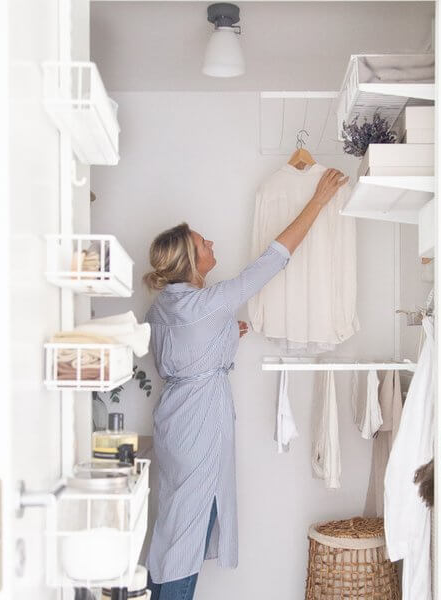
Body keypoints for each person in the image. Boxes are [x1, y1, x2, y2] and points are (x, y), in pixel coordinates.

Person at [143, 168, 348, 600]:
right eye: (203, 244)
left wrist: (221, 338)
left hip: (173, 420)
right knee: (189, 528)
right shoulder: (208, 303)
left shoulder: (164, 306)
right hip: (199, 421)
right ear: (190, 262)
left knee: (174, 522)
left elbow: (178, 354)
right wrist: (318, 201)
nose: (212, 244)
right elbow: (273, 260)